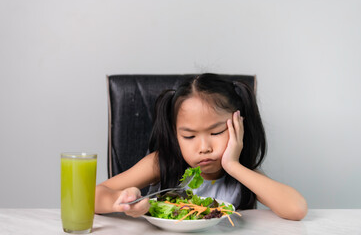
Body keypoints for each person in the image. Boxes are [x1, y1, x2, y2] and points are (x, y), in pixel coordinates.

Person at [95, 73, 307, 220]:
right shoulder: (161, 164)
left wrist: (233, 165)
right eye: (189, 136)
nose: (204, 147)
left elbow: (297, 209)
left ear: (238, 128)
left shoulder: (243, 176)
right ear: (175, 134)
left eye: (216, 132)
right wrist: (120, 201)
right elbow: (90, 197)